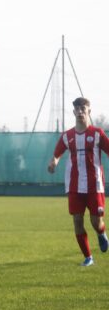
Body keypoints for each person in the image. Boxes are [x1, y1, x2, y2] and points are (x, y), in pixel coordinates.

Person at [48, 97, 109, 266]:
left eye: (84, 108)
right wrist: (53, 162)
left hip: (95, 185)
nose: (80, 111)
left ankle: (101, 233)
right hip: (74, 185)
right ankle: (88, 257)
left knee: (96, 222)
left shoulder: (97, 133)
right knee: (77, 220)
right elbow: (57, 154)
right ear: (73, 112)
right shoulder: (67, 136)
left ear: (89, 111)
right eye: (77, 109)